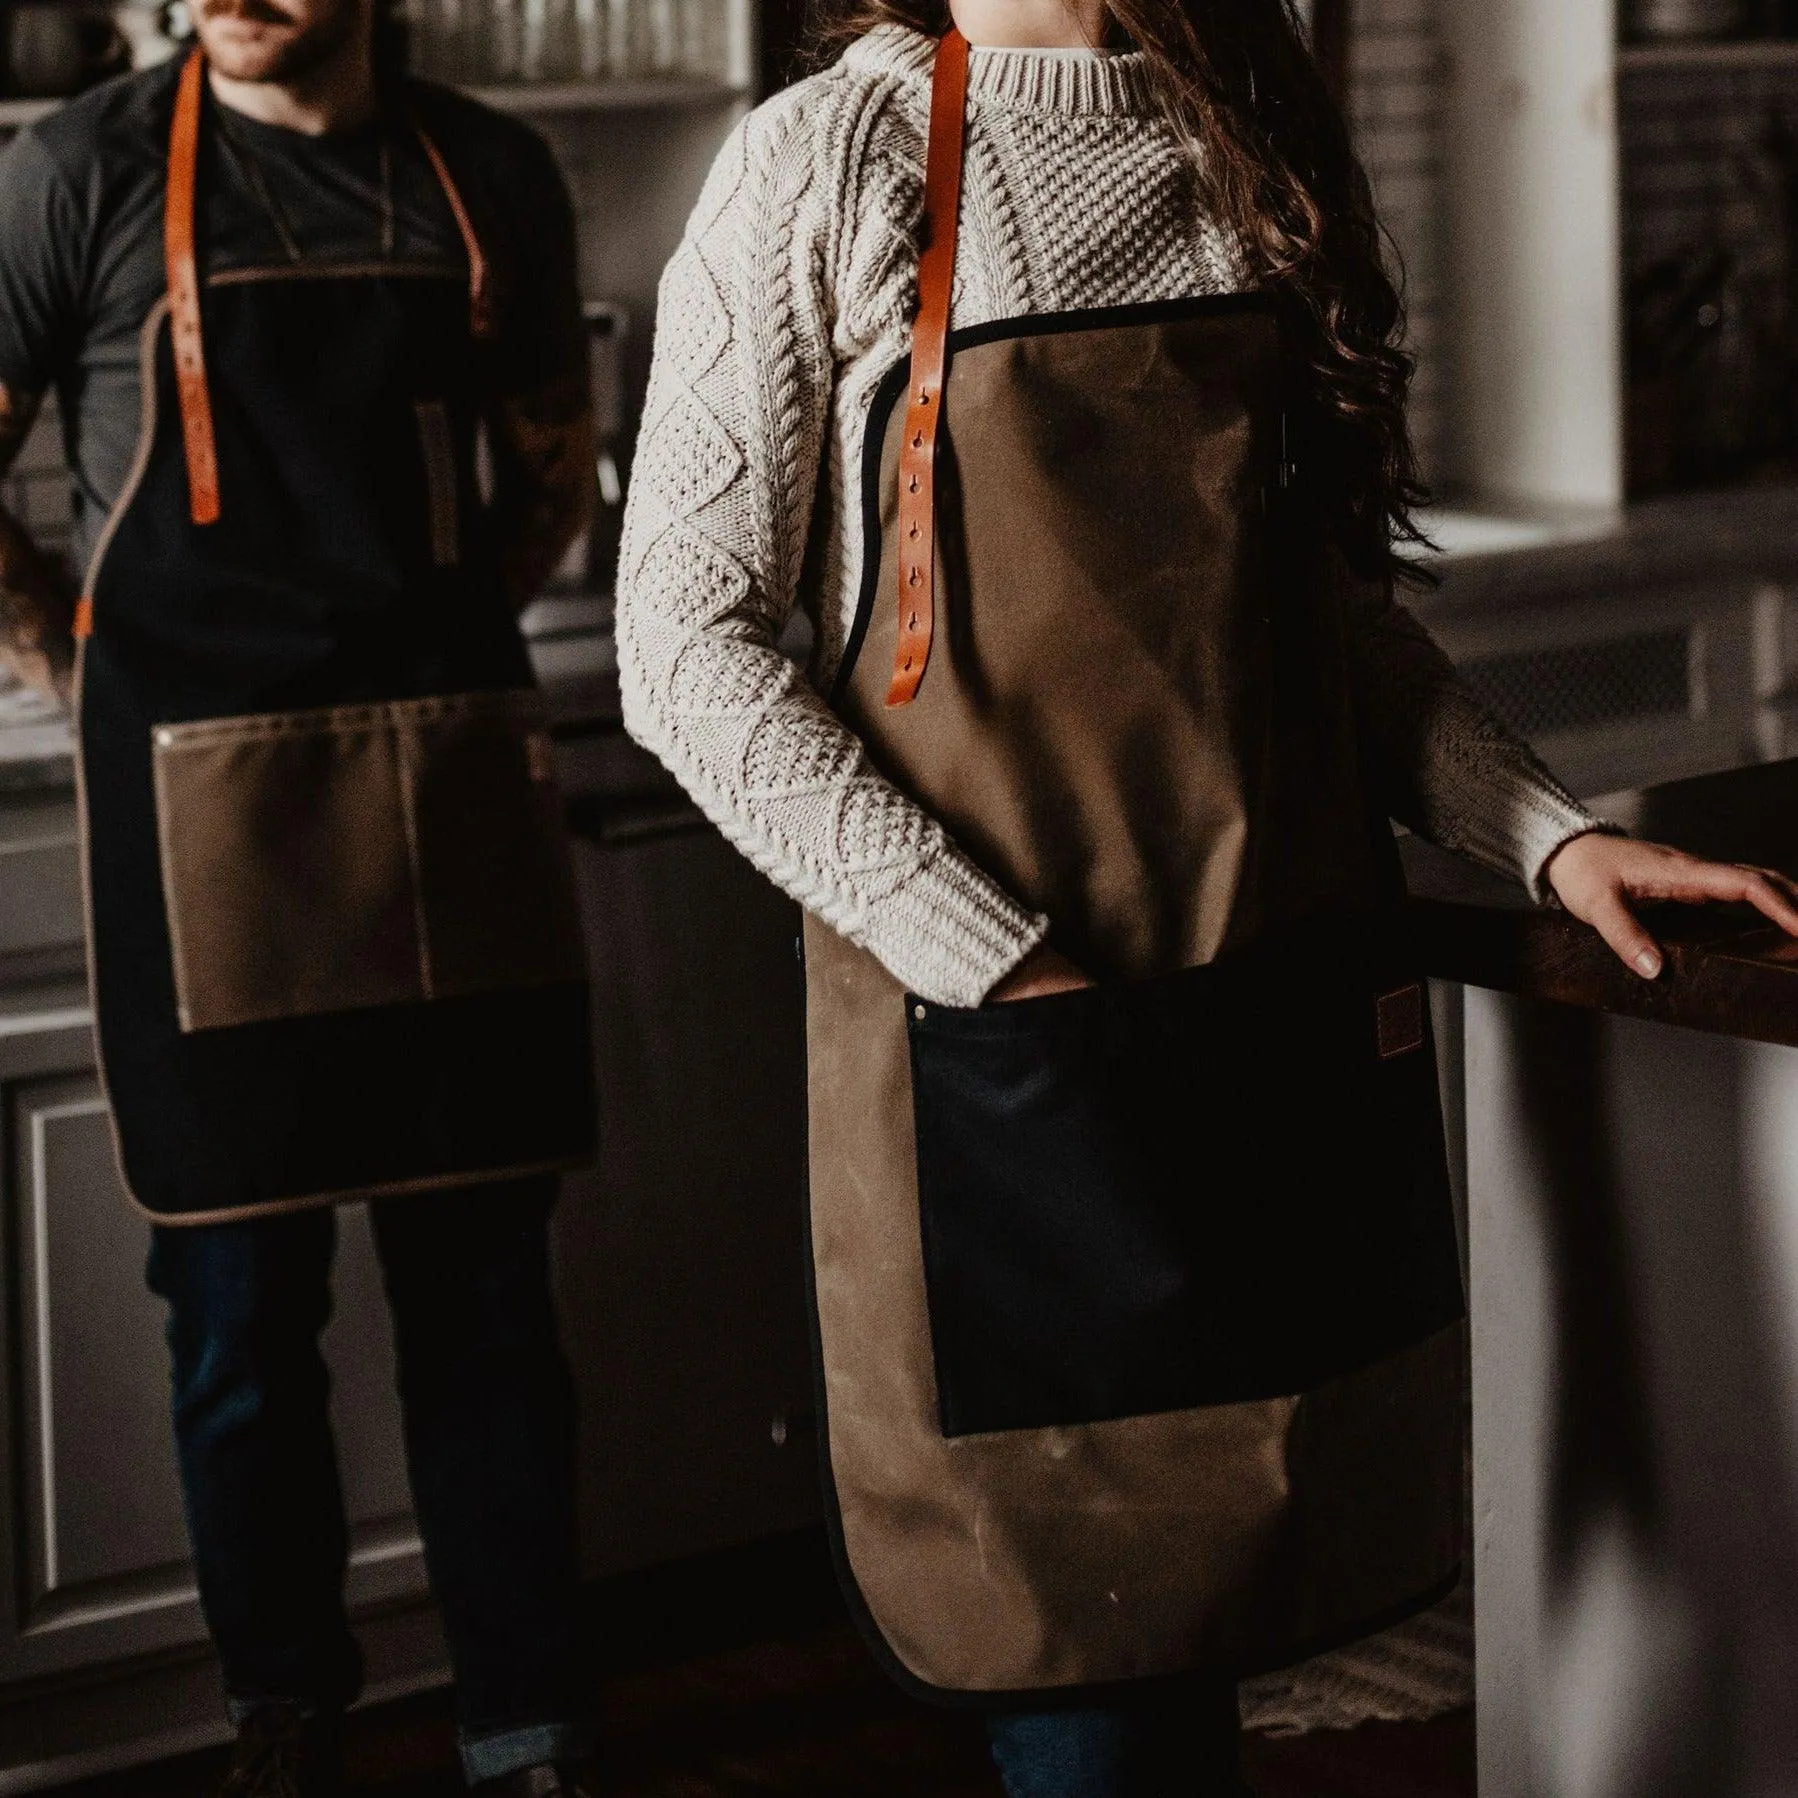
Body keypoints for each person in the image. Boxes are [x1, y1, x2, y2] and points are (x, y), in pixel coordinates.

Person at [614, 0, 1798, 1792]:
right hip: (1006, 1051)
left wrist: (1546, 831)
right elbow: (681, 655)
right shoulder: (826, 162)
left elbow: (1327, 628)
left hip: (1263, 1011)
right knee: (1090, 1673)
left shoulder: (1248, 142)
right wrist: (989, 965)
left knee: (1243, 1603)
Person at [0, 0, 603, 1788]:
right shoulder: (81, 171)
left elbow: (550, 467)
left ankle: (531, 1733)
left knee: (485, 1292)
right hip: (203, 809)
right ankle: (289, 1721)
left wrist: (429, 642)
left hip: (444, 786)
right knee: (239, 1308)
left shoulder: (488, 171)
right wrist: (74, 662)